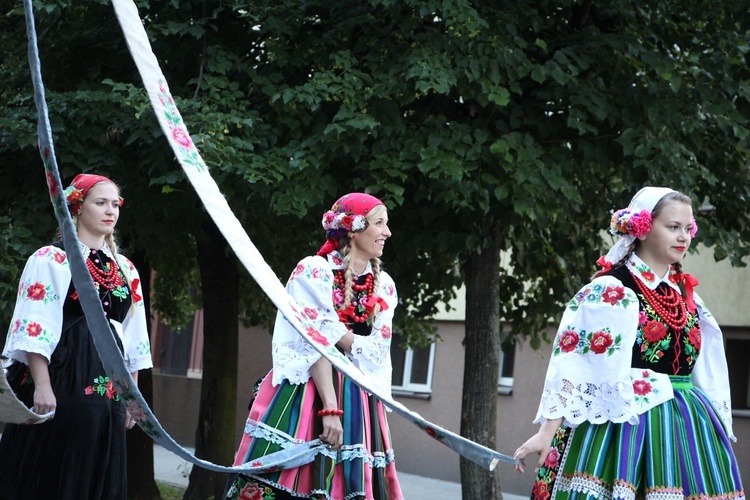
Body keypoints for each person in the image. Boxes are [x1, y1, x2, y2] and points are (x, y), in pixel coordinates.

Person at [513, 187, 745, 499]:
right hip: (623, 426)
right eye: (673, 227)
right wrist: (546, 431)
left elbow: (705, 368)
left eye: (688, 228)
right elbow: (577, 362)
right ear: (643, 227)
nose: (684, 237)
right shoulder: (613, 290)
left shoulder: (687, 296)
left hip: (687, 428)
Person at [225, 193, 404, 500]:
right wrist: (330, 409)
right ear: (354, 229)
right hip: (312, 389)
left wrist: (337, 334)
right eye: (379, 223)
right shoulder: (315, 270)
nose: (387, 232)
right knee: (296, 477)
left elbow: (376, 350)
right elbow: (312, 343)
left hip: (358, 397)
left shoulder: (383, 284)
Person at [0, 174, 152, 499]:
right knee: (52, 469)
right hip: (61, 375)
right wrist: (42, 385)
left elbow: (134, 338)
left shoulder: (125, 268)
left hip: (107, 381)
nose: (110, 210)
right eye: (101, 202)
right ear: (78, 206)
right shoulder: (50, 258)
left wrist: (132, 397)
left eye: (115, 204)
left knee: (96, 469)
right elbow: (34, 325)